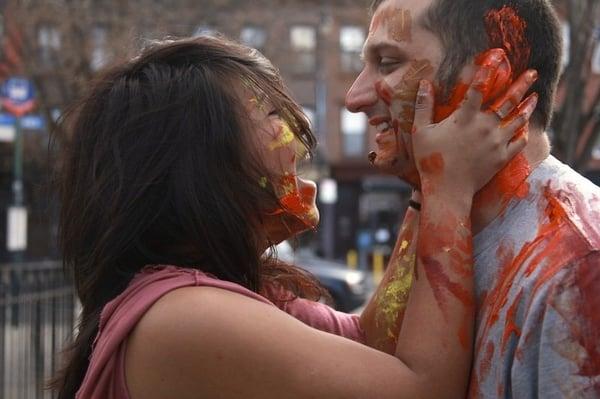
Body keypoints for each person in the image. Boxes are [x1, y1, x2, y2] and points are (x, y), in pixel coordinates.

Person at [50, 35, 533, 399]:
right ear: (199, 162)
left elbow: (371, 343)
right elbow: (419, 390)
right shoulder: (181, 316)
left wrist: (425, 188)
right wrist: (445, 186)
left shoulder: (215, 294)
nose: (290, 129)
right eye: (267, 114)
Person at [346, 0, 600, 397]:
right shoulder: (444, 221)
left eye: (388, 63)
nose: (354, 97)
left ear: (490, 77)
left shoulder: (578, 269)